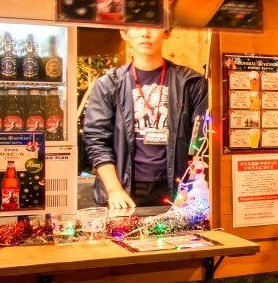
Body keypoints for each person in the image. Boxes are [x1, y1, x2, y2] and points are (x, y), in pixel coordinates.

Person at [80, 27, 207, 215]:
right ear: (124, 33)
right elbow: (96, 141)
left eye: (154, 27)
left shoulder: (191, 83)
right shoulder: (109, 84)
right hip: (124, 189)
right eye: (137, 26)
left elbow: (202, 143)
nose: (145, 33)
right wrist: (113, 189)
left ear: (166, 32)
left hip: (177, 188)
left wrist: (191, 187)